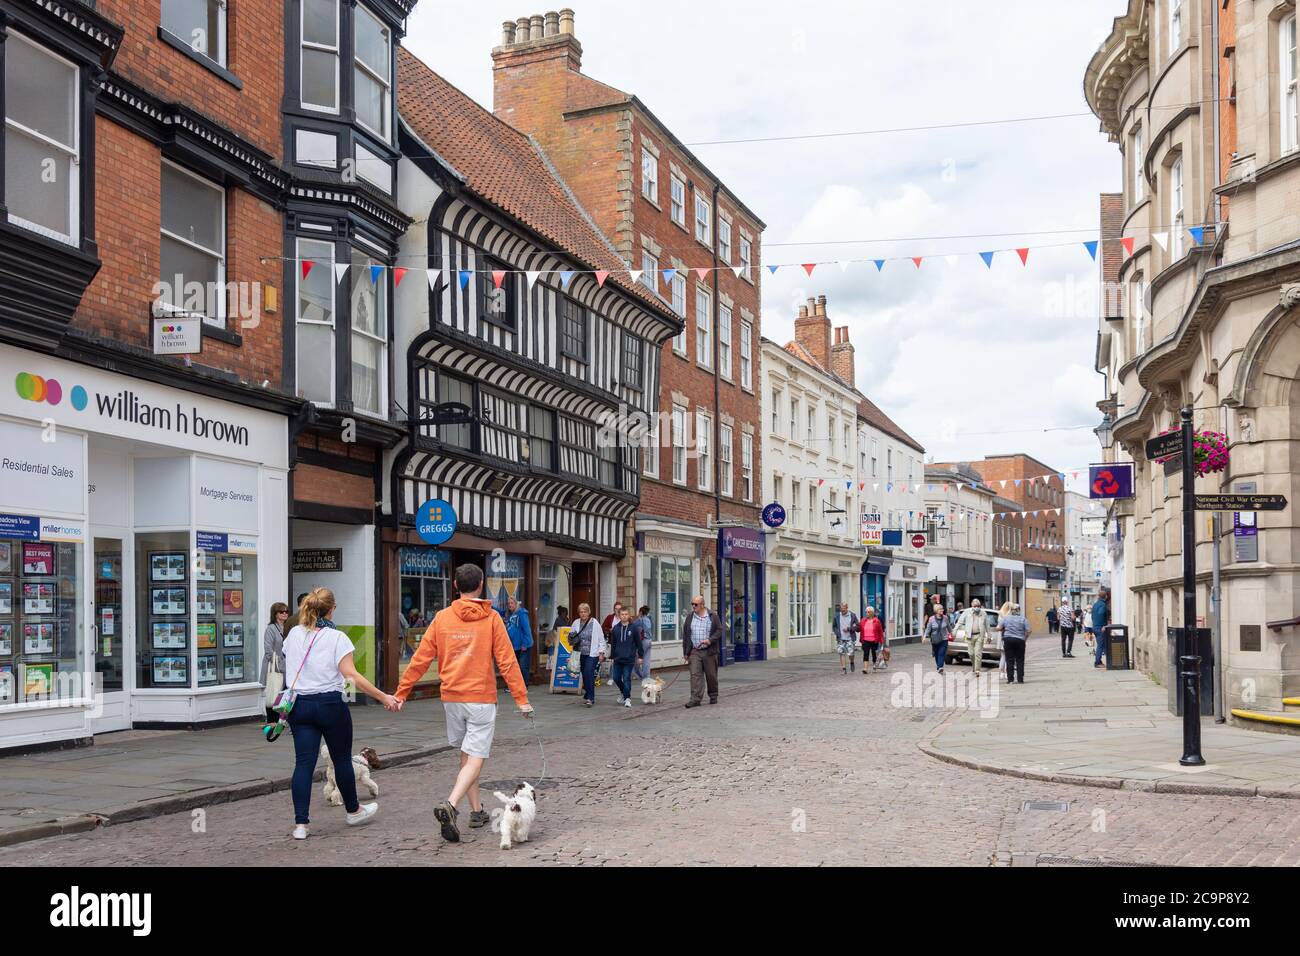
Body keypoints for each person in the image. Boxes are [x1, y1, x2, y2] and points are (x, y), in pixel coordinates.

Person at [395, 564, 532, 843]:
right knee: (476, 757)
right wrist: (521, 699)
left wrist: (402, 692)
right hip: (480, 698)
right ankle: (452, 804)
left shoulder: (442, 618)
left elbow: (420, 658)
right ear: (481, 584)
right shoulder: (492, 618)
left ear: (455, 586)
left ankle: (477, 810)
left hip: (452, 698)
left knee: (467, 755)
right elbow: (507, 661)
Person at [283, 587, 399, 840]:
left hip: (299, 706)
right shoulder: (337, 638)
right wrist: (383, 697)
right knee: (342, 759)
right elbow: (351, 675)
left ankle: (301, 825)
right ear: (332, 609)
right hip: (329, 705)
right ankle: (353, 811)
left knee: (303, 764)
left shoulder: (293, 634)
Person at [681, 595, 722, 707]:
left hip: (709, 651)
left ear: (702, 605)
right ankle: (695, 699)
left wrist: (710, 640)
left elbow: (719, 630)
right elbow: (686, 635)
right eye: (692, 604)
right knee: (695, 675)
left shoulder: (712, 616)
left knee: (711, 675)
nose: (693, 606)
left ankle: (713, 695)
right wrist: (685, 652)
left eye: (696, 604)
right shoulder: (690, 617)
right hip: (695, 651)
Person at [568, 603, 606, 707]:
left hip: (592, 653)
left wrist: (601, 653)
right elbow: (571, 637)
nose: (583, 614)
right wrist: (571, 638)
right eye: (581, 612)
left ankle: (590, 698)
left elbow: (601, 639)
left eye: (585, 611)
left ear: (589, 612)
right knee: (584, 674)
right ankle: (588, 693)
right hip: (579, 653)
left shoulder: (595, 623)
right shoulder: (576, 623)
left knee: (589, 672)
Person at [607, 607, 645, 707]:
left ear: (629, 616)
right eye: (622, 614)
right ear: (619, 616)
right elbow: (613, 643)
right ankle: (623, 693)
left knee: (627, 678)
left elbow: (638, 643)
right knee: (616, 678)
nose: (624, 616)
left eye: (626, 614)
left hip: (629, 659)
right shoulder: (615, 628)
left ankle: (627, 698)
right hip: (618, 658)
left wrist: (641, 656)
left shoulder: (634, 628)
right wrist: (612, 656)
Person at [260, 602, 289, 724]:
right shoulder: (271, 629)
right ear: (275, 614)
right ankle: (271, 720)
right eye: (281, 612)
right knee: (273, 689)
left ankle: (280, 720)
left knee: (281, 692)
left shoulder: (287, 627)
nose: (284, 614)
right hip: (273, 665)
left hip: (284, 665)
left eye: (286, 611)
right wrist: (276, 661)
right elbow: (268, 649)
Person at [996, 602, 1032, 683]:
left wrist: (1003, 629)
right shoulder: (1023, 619)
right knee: (1020, 660)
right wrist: (1025, 638)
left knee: (1009, 660)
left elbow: (998, 628)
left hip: (1008, 640)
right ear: (1019, 611)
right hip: (1020, 640)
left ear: (1011, 610)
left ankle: (1010, 679)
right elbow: (1029, 630)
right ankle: (1020, 679)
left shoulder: (1005, 618)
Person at [501, 596, 533, 681]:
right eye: (508, 603)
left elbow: (527, 629)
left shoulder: (521, 614)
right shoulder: (509, 614)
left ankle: (524, 687)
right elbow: (500, 612)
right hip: (514, 645)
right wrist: (490, 605)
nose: (510, 605)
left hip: (523, 645)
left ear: (516, 604)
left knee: (523, 667)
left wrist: (525, 644)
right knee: (515, 667)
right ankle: (517, 686)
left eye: (511, 603)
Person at [963, 598, 992, 673]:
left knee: (978, 653)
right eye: (975, 606)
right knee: (971, 653)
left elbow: (987, 625)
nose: (977, 607)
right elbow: (960, 622)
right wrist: (954, 631)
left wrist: (989, 636)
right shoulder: (967, 612)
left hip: (979, 635)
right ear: (972, 605)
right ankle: (974, 666)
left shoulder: (983, 613)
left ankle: (977, 670)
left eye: (978, 606)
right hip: (969, 636)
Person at [924, 604, 952, 673]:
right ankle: (939, 666)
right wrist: (925, 636)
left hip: (944, 639)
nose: (942, 610)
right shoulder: (931, 619)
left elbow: (948, 627)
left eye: (942, 609)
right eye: (940, 609)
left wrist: (952, 633)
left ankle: (940, 667)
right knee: (936, 654)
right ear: (936, 611)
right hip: (935, 639)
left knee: (941, 653)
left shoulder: (945, 618)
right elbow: (928, 628)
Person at [834, 601, 860, 674]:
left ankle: (852, 662)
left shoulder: (852, 615)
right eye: (841, 610)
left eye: (844, 610)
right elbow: (834, 626)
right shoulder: (837, 616)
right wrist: (837, 633)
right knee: (841, 653)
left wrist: (849, 629)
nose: (842, 611)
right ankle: (844, 669)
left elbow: (857, 626)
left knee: (851, 653)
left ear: (847, 608)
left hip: (850, 638)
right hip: (841, 638)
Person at [859, 606, 884, 674]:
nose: (867, 613)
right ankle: (865, 668)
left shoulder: (877, 621)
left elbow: (880, 632)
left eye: (868, 612)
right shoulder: (863, 620)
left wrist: (882, 642)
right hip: (865, 640)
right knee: (866, 653)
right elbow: (859, 628)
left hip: (874, 640)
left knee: (874, 654)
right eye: (866, 612)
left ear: (872, 613)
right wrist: (852, 628)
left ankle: (874, 666)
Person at [1092, 589, 1111, 668]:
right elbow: (1101, 613)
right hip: (1100, 627)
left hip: (1095, 627)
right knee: (1101, 645)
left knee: (1102, 645)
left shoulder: (1095, 604)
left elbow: (1093, 616)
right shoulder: (1103, 605)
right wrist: (1104, 625)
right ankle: (1097, 662)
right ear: (1106, 596)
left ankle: (1107, 661)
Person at [634, 605, 654, 680]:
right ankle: (647, 676)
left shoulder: (640, 620)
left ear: (641, 612)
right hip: (649, 640)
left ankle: (640, 675)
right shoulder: (649, 619)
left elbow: (632, 626)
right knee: (647, 659)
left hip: (643, 641)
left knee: (637, 659)